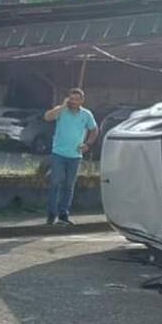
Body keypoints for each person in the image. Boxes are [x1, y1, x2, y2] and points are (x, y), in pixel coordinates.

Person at [42, 87, 97, 225]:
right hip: (58, 154)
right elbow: (47, 117)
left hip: (75, 155)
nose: (73, 101)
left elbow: (94, 130)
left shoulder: (86, 114)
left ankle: (63, 214)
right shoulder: (62, 110)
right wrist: (62, 106)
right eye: (71, 99)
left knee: (69, 186)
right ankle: (51, 214)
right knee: (55, 183)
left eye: (76, 99)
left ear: (82, 100)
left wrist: (87, 144)